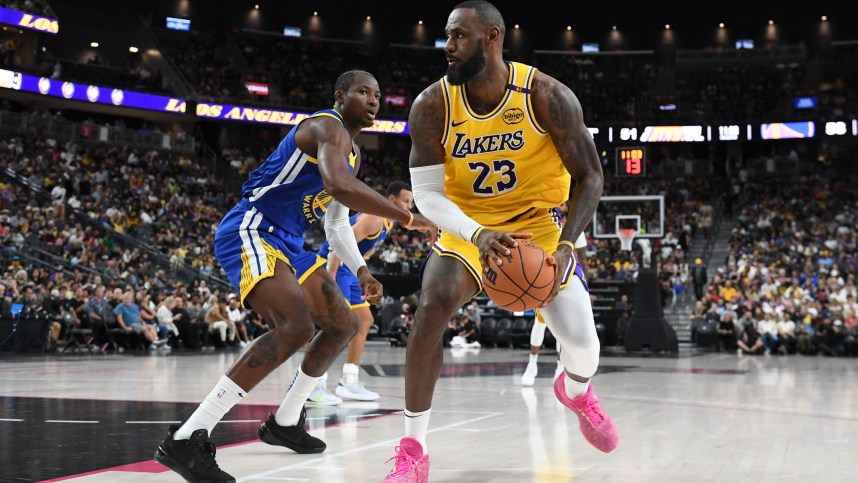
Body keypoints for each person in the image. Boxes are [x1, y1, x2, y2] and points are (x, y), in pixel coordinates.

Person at [154, 70, 434, 483]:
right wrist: (408, 217)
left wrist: (362, 271)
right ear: (340, 96)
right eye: (363, 92)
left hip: (288, 242)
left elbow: (337, 225)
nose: (374, 101)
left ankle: (285, 422)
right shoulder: (325, 126)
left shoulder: (354, 153)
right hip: (252, 227)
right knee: (296, 325)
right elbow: (339, 186)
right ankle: (185, 438)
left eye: (378, 95)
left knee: (344, 323)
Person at [382, 3, 617, 480]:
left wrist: (568, 246)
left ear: (492, 37)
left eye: (457, 37)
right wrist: (478, 232)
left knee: (583, 345)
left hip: (540, 227)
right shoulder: (432, 105)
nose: (446, 47)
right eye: (446, 37)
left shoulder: (546, 96)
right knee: (432, 306)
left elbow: (590, 177)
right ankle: (413, 450)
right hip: (470, 227)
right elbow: (426, 194)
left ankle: (576, 392)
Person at [313, 181, 417, 403]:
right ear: (391, 200)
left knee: (364, 320)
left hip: (350, 272)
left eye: (411, 202)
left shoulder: (390, 220)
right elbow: (339, 241)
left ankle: (349, 381)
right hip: (336, 266)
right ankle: (314, 385)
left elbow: (415, 223)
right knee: (337, 326)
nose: (409, 206)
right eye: (406, 201)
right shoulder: (374, 218)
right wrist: (330, 274)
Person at [521, 232, 587, 386]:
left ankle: (560, 367)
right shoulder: (546, 217)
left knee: (562, 326)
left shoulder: (576, 225)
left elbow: (583, 258)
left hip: (567, 276)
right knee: (540, 321)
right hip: (541, 274)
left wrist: (585, 288)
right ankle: (532, 364)